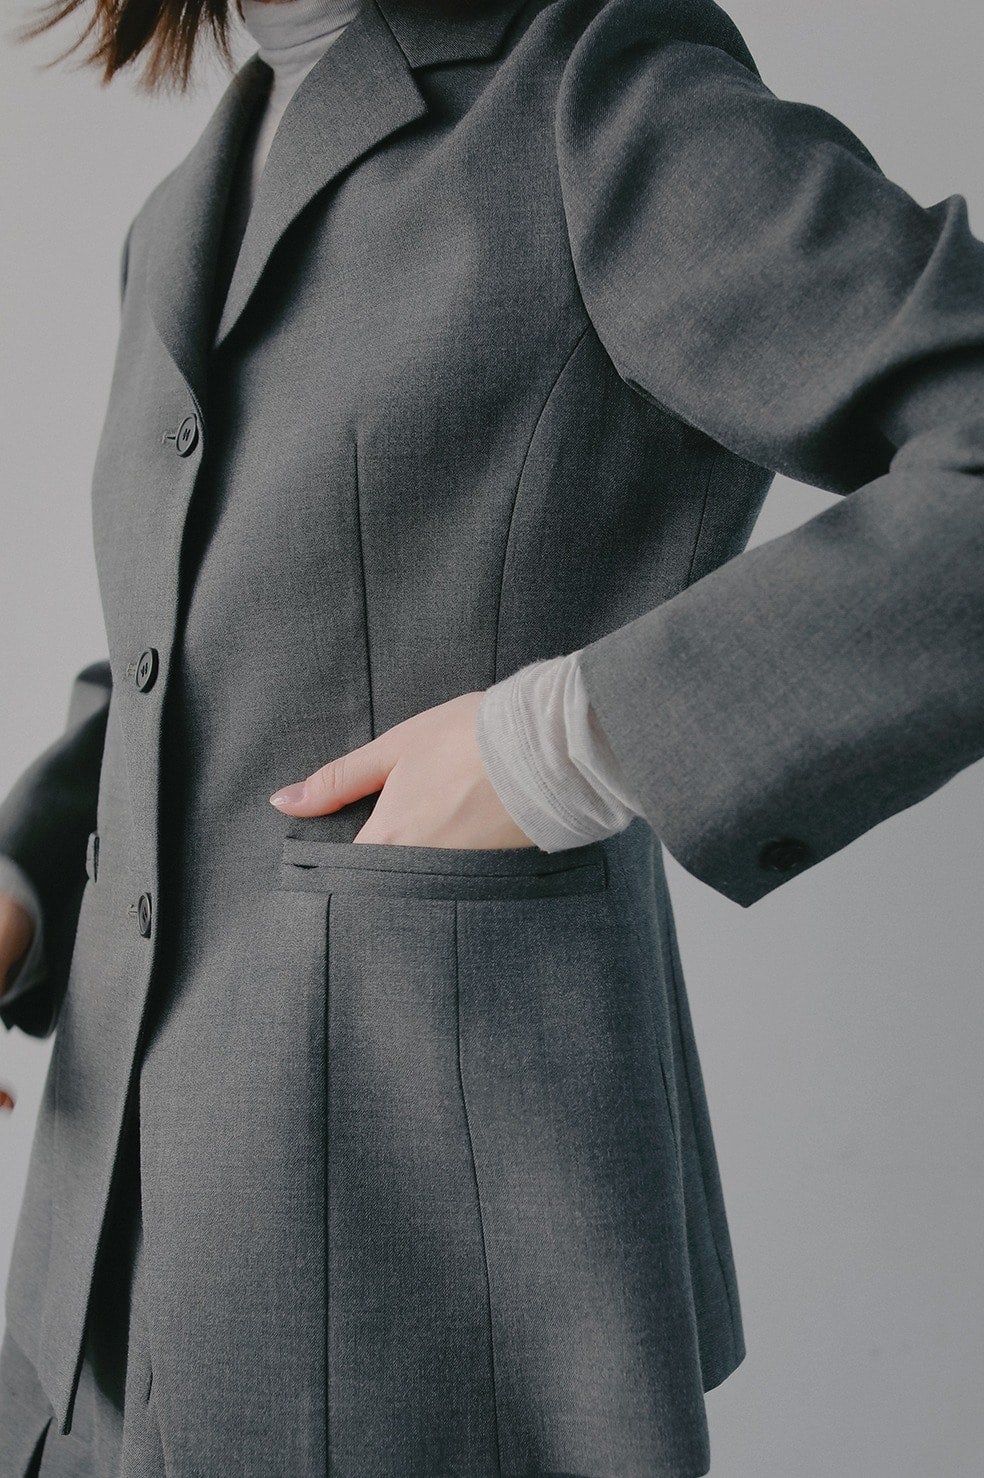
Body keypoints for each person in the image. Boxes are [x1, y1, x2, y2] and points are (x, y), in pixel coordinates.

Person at [1, 0, 982, 1473]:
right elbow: (190, 656)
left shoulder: (598, 98)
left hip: (425, 1291)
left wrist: (568, 741)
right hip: (87, 1304)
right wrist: (22, 884)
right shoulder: (178, 212)